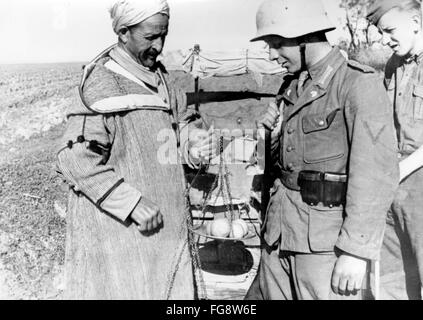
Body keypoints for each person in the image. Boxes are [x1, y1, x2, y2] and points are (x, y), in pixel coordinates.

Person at [56, 0, 215, 300]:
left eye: (163, 35)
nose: (159, 45)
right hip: (120, 234)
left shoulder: (162, 79)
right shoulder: (102, 83)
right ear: (124, 32)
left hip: (165, 229)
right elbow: (73, 158)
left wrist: (193, 143)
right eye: (151, 37)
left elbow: (181, 125)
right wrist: (129, 202)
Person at [245, 0, 399, 300]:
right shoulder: (290, 88)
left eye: (277, 44)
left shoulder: (357, 83)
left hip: (327, 246)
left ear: (305, 37)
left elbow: (376, 174)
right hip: (279, 234)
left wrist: (356, 251)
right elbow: (281, 165)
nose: (272, 55)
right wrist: (269, 135)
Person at [367, 0, 423, 300]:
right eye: (380, 32)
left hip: (417, 182)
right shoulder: (393, 65)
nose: (384, 39)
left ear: (415, 21)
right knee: (391, 277)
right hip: (392, 182)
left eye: (389, 30)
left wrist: (400, 169)